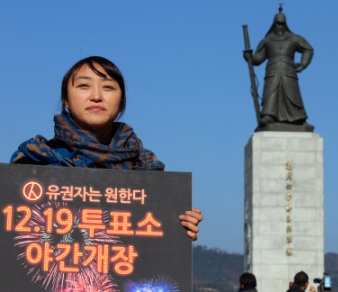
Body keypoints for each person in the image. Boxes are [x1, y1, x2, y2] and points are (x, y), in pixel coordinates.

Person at [10, 56, 203, 240]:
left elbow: (152, 248)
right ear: (66, 100)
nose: (96, 96)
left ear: (121, 103)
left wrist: (179, 230)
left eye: (108, 87)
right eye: (84, 86)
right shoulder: (35, 159)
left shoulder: (147, 169)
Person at [244, 6, 314, 126]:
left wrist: (303, 65)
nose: (280, 27)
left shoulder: (293, 38)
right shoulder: (267, 40)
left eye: (282, 24)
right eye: (278, 24)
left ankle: (298, 118)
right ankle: (269, 116)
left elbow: (308, 49)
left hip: (288, 70)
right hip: (272, 70)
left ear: (285, 24)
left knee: (292, 94)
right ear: (274, 24)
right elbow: (259, 58)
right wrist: (250, 57)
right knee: (271, 93)